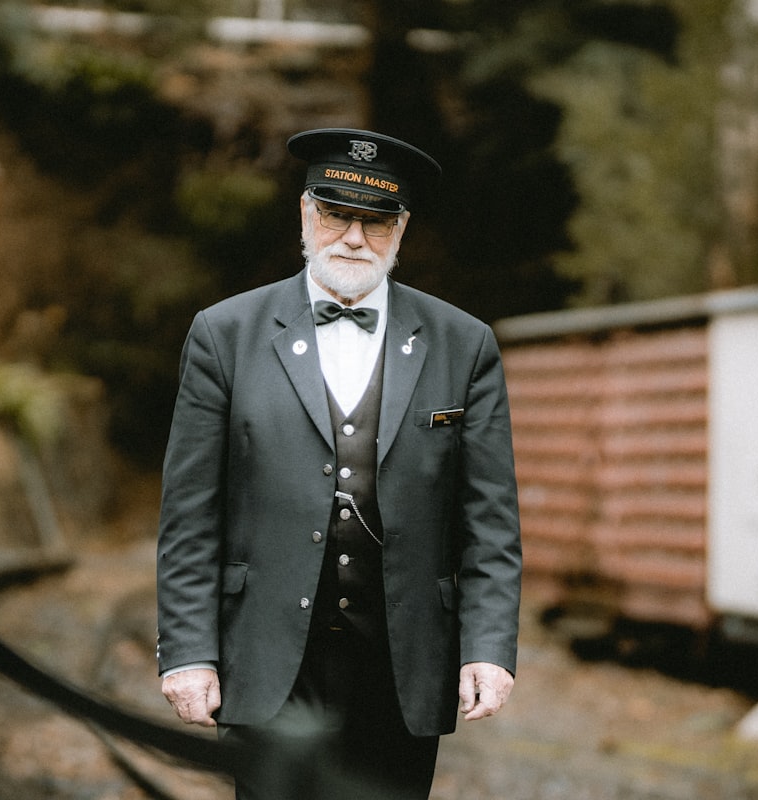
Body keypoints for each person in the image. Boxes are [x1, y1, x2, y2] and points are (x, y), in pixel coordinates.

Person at [156, 128, 522, 799]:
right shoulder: (224, 334)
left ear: (402, 228)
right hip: (265, 657)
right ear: (305, 213)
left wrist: (489, 648)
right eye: (336, 214)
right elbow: (189, 517)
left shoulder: (465, 345)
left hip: (402, 663)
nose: (354, 237)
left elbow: (491, 523)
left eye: (376, 221)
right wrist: (186, 653)